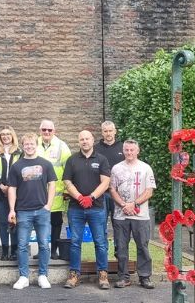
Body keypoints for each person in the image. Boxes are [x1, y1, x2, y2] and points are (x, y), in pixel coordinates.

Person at [62, 130, 111, 290]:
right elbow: (67, 182)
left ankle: (103, 274)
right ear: (79, 141)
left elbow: (105, 182)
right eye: (81, 139)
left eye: (87, 139)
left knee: (100, 242)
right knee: (75, 242)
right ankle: (74, 274)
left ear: (92, 140)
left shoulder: (102, 159)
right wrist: (80, 198)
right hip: (76, 209)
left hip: (97, 208)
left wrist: (91, 197)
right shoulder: (72, 160)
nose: (84, 141)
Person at [8, 132, 57, 290]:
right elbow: (12, 189)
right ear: (22, 146)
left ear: (36, 144)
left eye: (32, 144)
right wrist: (12, 210)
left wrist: (48, 205)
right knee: (22, 245)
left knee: (44, 244)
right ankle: (24, 276)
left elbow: (52, 185)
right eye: (26, 144)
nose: (29, 147)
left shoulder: (46, 164)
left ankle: (43, 275)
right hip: (23, 211)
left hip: (42, 210)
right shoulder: (17, 166)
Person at [109, 140, 156, 289]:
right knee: (121, 247)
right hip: (120, 214)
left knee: (142, 246)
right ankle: (123, 277)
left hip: (140, 215)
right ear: (123, 151)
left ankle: (145, 277)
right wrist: (124, 205)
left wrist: (134, 204)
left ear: (138, 151)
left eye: (132, 150)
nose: (129, 153)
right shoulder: (116, 168)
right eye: (127, 150)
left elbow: (149, 191)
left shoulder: (146, 168)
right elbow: (112, 190)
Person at [36, 119, 72, 260]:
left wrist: (67, 190)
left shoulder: (62, 146)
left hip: (57, 193)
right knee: (39, 223)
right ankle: (41, 250)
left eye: (49, 130)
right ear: (40, 131)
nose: (46, 132)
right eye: (44, 129)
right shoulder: (34, 143)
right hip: (37, 193)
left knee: (55, 223)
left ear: (54, 131)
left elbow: (68, 169)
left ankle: (53, 250)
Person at [96, 120, 125, 254]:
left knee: (119, 224)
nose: (108, 134)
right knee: (101, 224)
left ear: (115, 131)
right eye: (105, 131)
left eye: (110, 130)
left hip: (119, 194)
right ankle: (103, 252)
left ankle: (119, 252)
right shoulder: (96, 149)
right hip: (102, 193)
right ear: (102, 132)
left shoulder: (123, 148)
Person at [0, 127, 21, 261]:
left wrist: (11, 187)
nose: (5, 136)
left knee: (14, 221)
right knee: (3, 222)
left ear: (13, 136)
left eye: (8, 134)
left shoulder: (19, 152)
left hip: (16, 192)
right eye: (2, 134)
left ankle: (15, 251)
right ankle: (5, 251)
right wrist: (1, 185)